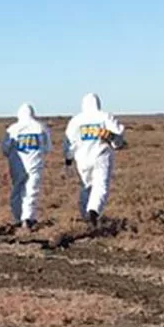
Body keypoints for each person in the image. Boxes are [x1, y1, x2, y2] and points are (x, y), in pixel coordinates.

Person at [64, 93, 127, 227]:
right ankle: (93, 211)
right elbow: (119, 131)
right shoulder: (105, 116)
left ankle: (86, 215)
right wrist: (112, 138)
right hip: (101, 155)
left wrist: (68, 159)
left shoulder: (76, 120)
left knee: (86, 186)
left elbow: (69, 142)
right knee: (100, 185)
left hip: (82, 159)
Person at [1, 103, 51, 230]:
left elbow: (5, 148)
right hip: (34, 164)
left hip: (17, 165)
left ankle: (18, 216)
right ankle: (27, 218)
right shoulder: (41, 128)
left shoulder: (13, 129)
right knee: (31, 190)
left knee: (17, 190)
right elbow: (47, 147)